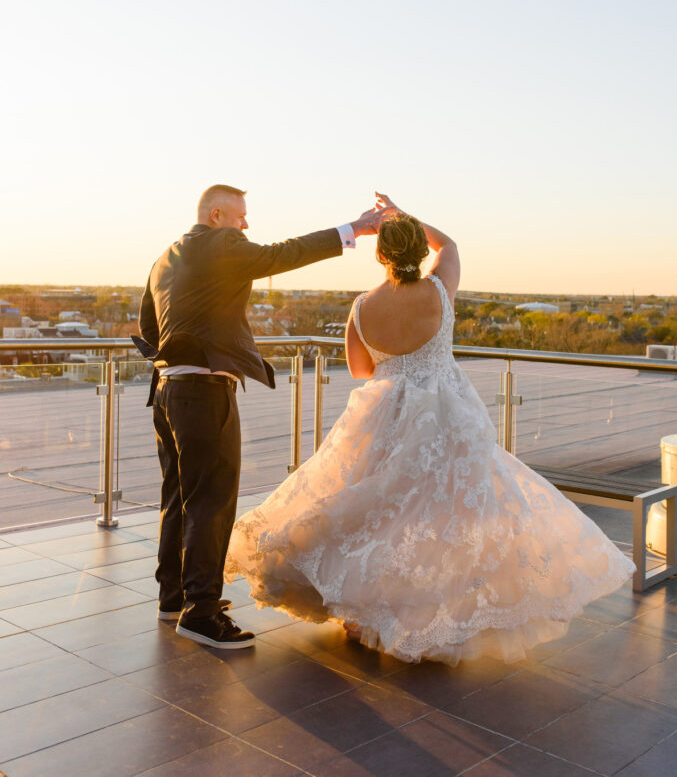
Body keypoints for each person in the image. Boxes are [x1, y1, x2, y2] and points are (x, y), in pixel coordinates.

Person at [225, 193, 635, 665]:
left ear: (381, 256)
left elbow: (361, 371)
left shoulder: (361, 308)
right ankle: (427, 615)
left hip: (381, 414)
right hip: (446, 414)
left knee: (373, 511)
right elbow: (452, 244)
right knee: (441, 517)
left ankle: (360, 611)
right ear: (419, 250)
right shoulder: (441, 289)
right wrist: (403, 215)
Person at [136, 184, 388, 650]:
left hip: (168, 390)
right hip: (205, 393)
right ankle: (202, 614)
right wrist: (355, 228)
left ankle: (173, 597)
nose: (246, 226)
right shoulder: (222, 244)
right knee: (212, 504)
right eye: (240, 217)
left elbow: (148, 329)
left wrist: (180, 357)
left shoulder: (165, 258)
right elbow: (283, 254)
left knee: (178, 498)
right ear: (216, 215)